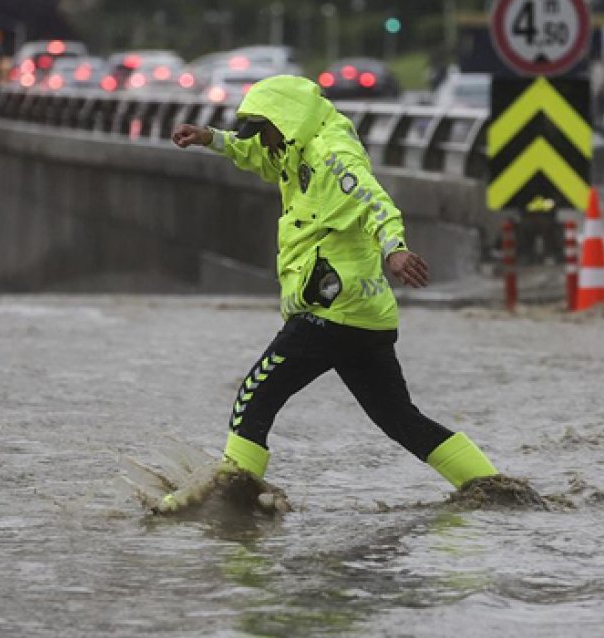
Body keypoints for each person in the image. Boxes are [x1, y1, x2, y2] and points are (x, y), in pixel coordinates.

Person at [164, 75, 499, 509]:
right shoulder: (294, 147)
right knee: (398, 419)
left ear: (284, 121)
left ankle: (228, 500)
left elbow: (375, 201)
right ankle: (493, 489)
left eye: (264, 131)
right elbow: (258, 157)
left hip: (331, 308)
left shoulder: (331, 153)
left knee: (255, 395)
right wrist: (212, 138)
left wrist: (394, 249)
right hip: (360, 315)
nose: (262, 142)